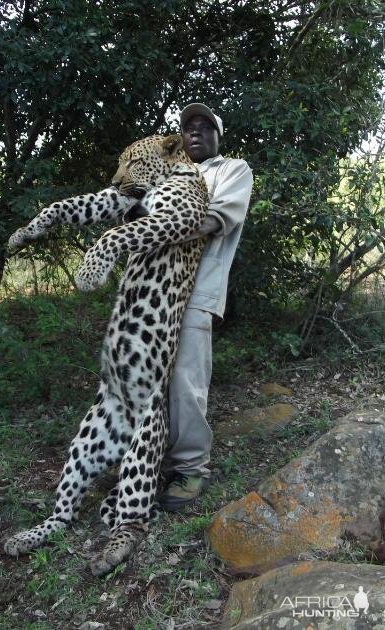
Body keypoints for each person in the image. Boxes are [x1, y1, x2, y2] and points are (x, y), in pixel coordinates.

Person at [159, 103, 253, 511]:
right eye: (188, 126)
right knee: (147, 375)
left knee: (185, 379)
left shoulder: (232, 171)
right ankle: (147, 458)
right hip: (154, 292)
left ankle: (191, 467)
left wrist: (156, 226)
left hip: (198, 291)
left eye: (204, 126)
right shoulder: (167, 170)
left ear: (218, 135)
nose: (195, 131)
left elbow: (214, 219)